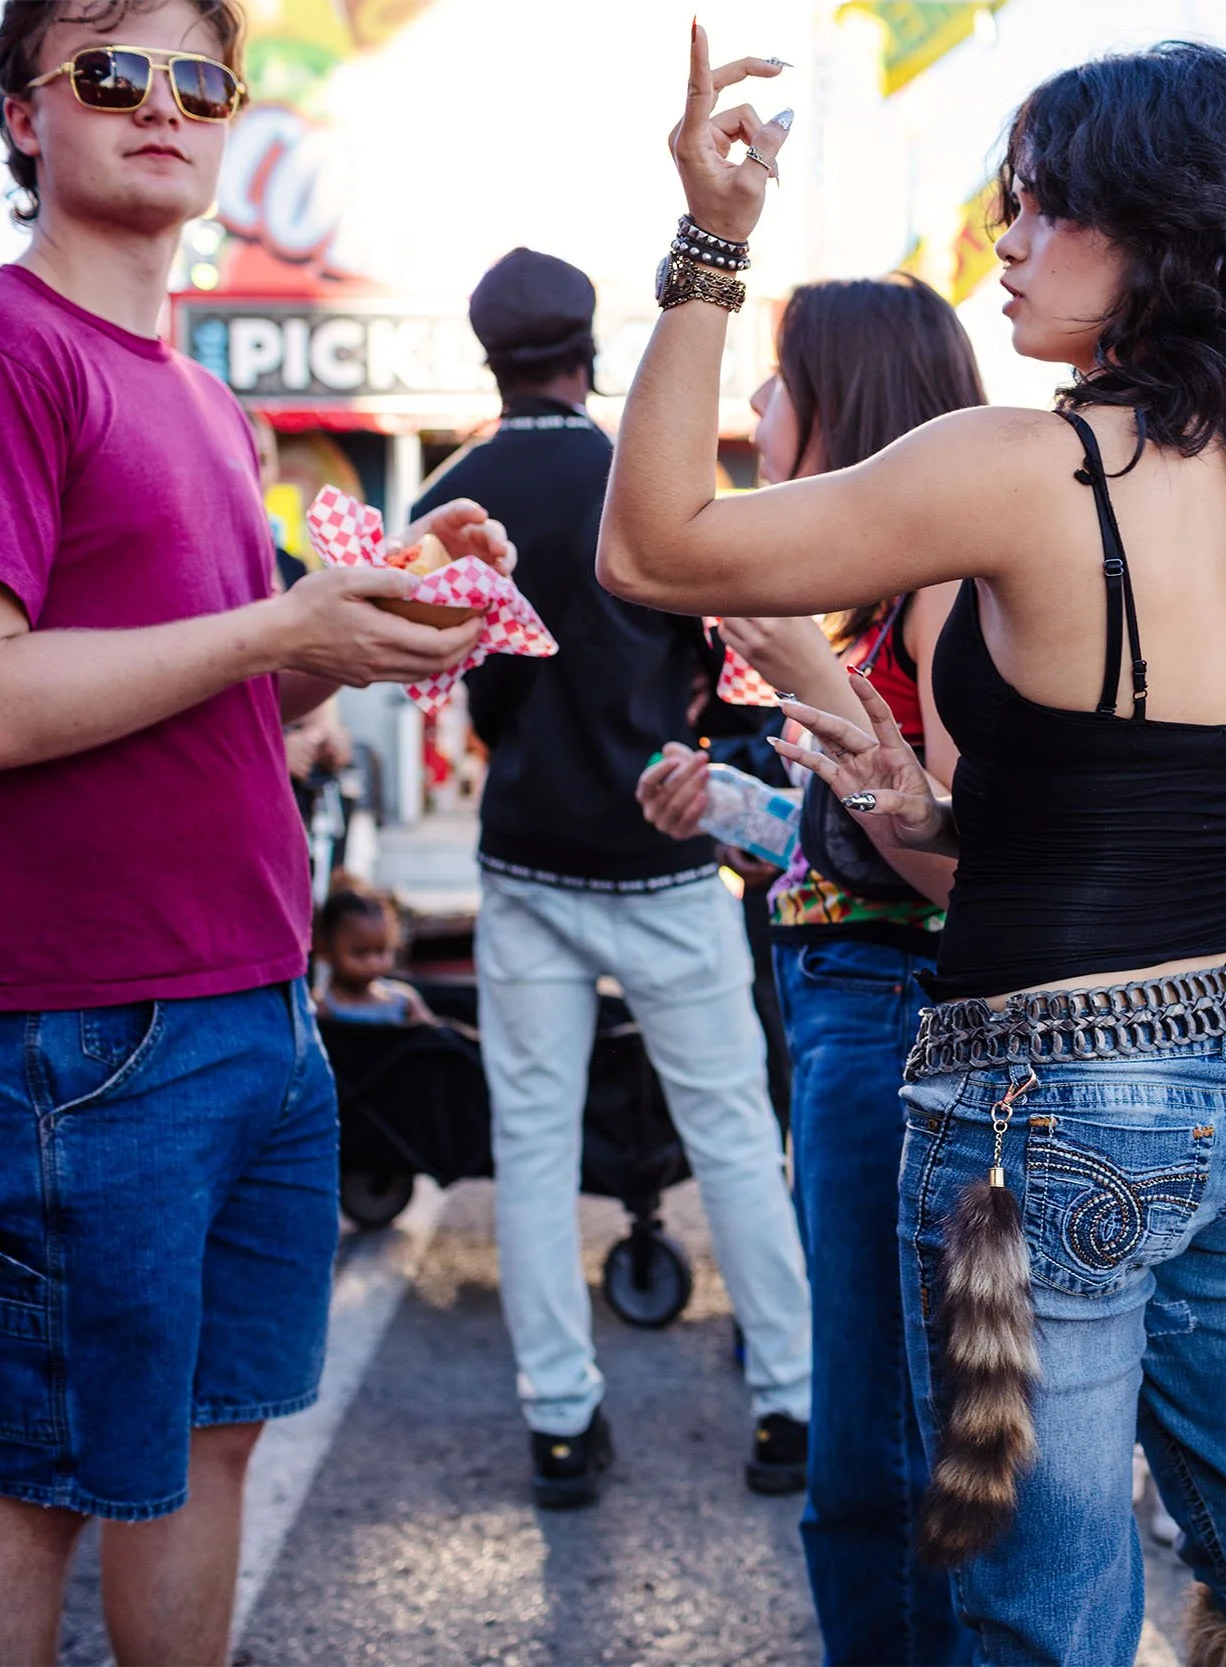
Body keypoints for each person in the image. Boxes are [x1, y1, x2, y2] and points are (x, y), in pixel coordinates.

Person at [600, 32, 1226, 1664]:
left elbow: (654, 542)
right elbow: (1129, 809)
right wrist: (900, 798)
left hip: (1052, 1088)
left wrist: (710, 239)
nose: (1003, 243)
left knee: (1040, 1592)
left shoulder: (1031, 467)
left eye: (1041, 206)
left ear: (1164, 231)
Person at [0, 5, 508, 1660]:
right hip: (77, 1032)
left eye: (198, 79)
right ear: (23, 117)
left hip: (253, 1007)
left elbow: (218, 702)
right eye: (109, 71)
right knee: (42, 1479)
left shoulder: (207, 405)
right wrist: (283, 634)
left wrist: (381, 604)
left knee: (214, 1437)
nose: (163, 105)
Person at [418, 245, 813, 1510]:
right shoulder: (638, 479)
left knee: (530, 1143)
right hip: (662, 847)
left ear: (490, 355)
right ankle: (789, 1407)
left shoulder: (456, 495)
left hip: (526, 854)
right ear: (587, 349)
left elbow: (470, 688)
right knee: (735, 1132)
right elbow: (722, 660)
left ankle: (558, 1421)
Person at [636, 273, 983, 1666]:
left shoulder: (941, 587)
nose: (760, 410)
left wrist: (809, 681)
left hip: (899, 1018)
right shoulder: (856, 593)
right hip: (849, 1000)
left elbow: (961, 868)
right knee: (880, 1432)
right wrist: (737, 814)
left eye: (778, 381)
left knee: (886, 1447)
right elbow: (852, 844)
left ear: (847, 400)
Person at [314, 883, 433, 1026]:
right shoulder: (321, 1007)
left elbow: (433, 1037)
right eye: (360, 953)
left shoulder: (404, 1001)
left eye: (381, 951)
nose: (373, 963)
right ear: (326, 950)